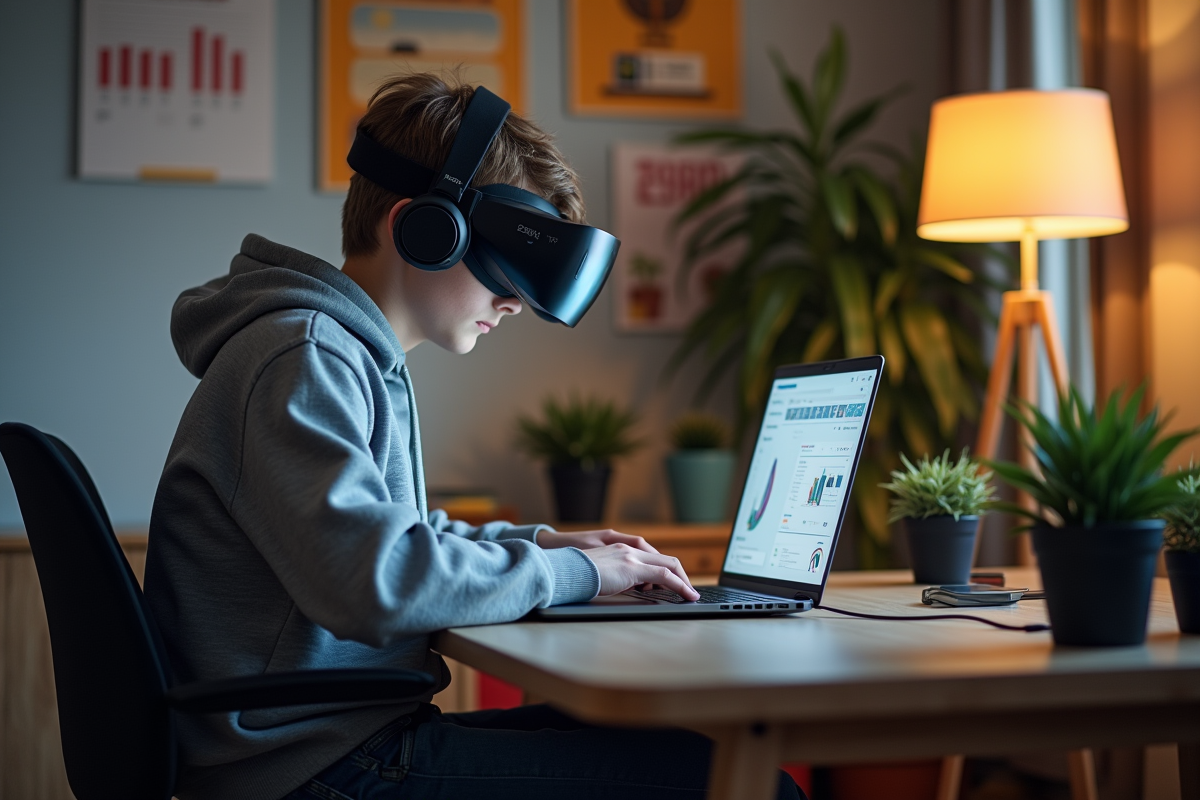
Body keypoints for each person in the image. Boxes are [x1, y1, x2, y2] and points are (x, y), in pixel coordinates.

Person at [144, 73, 802, 800]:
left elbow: (398, 538)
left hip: (330, 742)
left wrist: (551, 546)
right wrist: (574, 577)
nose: (516, 302)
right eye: (505, 270)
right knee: (739, 786)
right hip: (314, 766)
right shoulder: (303, 358)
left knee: (677, 748)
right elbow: (380, 582)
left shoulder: (337, 353)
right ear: (423, 229)